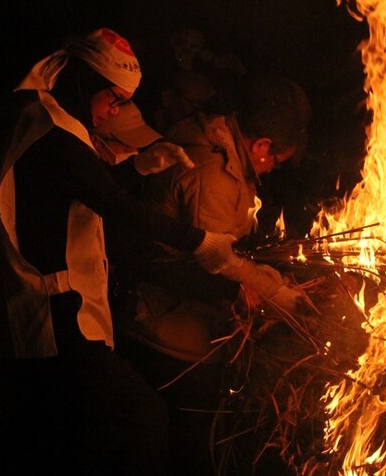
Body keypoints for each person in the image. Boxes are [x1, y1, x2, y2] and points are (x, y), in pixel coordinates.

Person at [0, 28, 294, 475]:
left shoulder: (61, 124)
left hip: (70, 308)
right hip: (52, 310)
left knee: (80, 430)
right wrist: (200, 243)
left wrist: (136, 166)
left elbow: (93, 192)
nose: (116, 110)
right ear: (84, 82)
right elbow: (112, 205)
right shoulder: (50, 130)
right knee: (141, 419)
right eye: (112, 97)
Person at [110, 75, 310, 474]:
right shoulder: (213, 172)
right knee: (188, 449)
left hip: (177, 325)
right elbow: (218, 264)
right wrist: (282, 296)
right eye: (276, 161)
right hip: (170, 335)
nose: (270, 171)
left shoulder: (220, 146)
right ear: (262, 145)